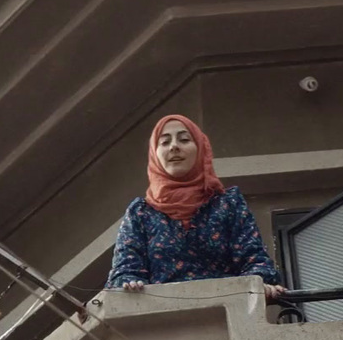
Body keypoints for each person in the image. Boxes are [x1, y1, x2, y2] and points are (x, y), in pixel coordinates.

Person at [106, 114, 287, 300]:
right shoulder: (141, 213)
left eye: (184, 139)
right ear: (154, 153)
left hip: (227, 316)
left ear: (201, 149)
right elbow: (125, 271)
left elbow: (254, 260)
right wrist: (129, 282)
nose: (174, 146)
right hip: (164, 320)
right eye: (164, 142)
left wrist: (260, 284)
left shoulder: (228, 204)